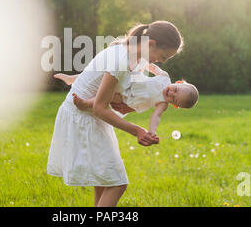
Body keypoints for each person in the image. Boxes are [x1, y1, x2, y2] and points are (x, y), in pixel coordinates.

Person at [47, 21, 184, 207]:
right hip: (83, 117)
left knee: (104, 182)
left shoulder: (136, 56)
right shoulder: (121, 60)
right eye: (163, 56)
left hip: (93, 117)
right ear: (151, 44)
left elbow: (130, 87)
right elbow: (99, 108)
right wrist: (137, 131)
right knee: (117, 183)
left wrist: (127, 105)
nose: (163, 61)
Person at [54, 62, 199, 136]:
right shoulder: (164, 77)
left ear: (174, 105)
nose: (171, 94)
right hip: (133, 80)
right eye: (175, 90)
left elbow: (156, 117)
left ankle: (85, 103)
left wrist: (152, 131)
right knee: (106, 75)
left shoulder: (163, 104)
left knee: (110, 95)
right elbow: (153, 67)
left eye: (174, 99)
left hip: (128, 98)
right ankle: (72, 78)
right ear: (178, 83)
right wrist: (143, 62)